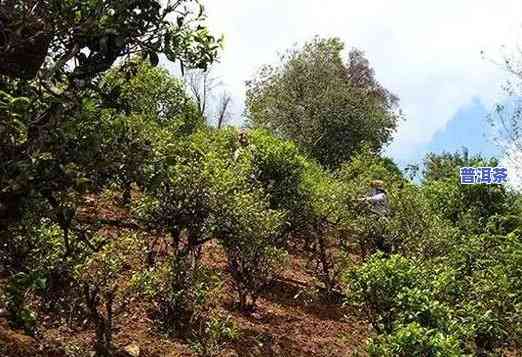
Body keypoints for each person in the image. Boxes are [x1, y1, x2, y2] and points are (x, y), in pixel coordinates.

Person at [360, 180, 391, 254]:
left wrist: (364, 199)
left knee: (380, 238)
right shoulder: (377, 195)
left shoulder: (382, 195)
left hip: (380, 218)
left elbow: (376, 198)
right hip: (377, 217)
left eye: (372, 188)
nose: (371, 190)